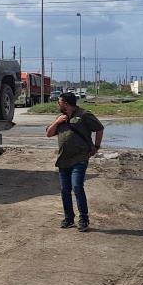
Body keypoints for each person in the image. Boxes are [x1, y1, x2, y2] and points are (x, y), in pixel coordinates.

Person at [46, 92, 104, 231]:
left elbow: (99, 128)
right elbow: (49, 133)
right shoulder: (60, 118)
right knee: (65, 190)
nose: (57, 104)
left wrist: (96, 146)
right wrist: (57, 121)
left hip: (79, 158)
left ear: (66, 103)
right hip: (63, 160)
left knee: (77, 187)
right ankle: (69, 218)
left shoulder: (84, 115)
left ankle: (83, 219)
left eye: (59, 102)